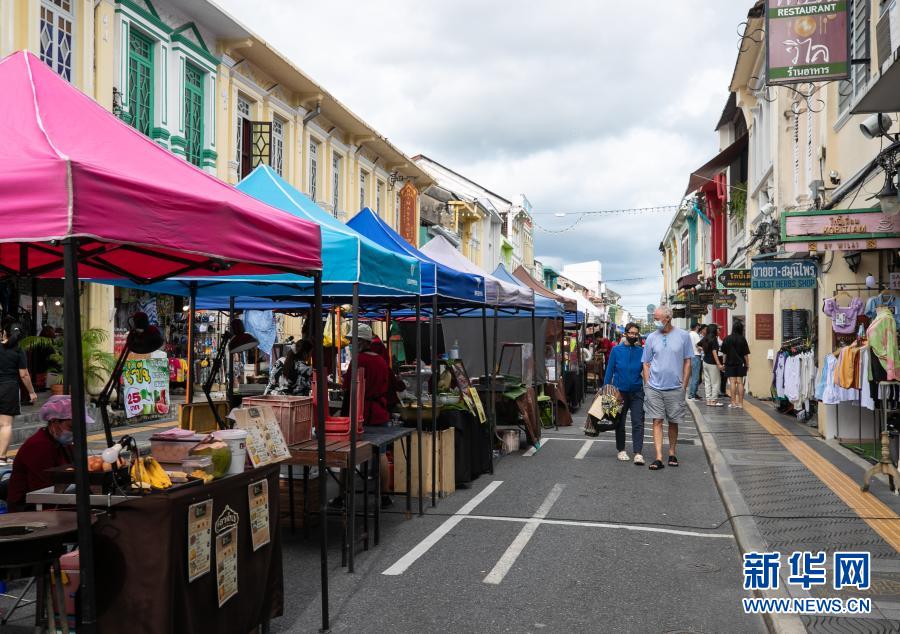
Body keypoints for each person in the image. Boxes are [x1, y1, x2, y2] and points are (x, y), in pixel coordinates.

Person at [6, 395, 86, 510]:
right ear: (54, 422)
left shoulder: (63, 444)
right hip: (28, 508)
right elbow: (44, 491)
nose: (75, 432)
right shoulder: (38, 446)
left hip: (57, 501)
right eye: (71, 427)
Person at [641, 306, 694, 471]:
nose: (655, 321)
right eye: (654, 318)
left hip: (675, 387)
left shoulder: (683, 336)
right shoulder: (651, 337)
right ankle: (658, 457)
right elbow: (646, 362)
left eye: (657, 318)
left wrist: (684, 385)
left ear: (668, 318)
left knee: (673, 421)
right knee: (657, 420)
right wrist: (648, 384)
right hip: (654, 388)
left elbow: (687, 361)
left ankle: (672, 452)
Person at [603, 322, 645, 465]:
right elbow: (609, 371)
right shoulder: (616, 350)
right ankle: (621, 450)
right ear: (625, 333)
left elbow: (646, 371)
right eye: (631, 333)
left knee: (638, 422)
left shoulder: (641, 351)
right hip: (619, 392)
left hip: (637, 392)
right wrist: (605, 390)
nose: (633, 335)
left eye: (636, 333)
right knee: (619, 423)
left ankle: (638, 453)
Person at [0, 317, 37, 466]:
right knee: (6, 424)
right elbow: (24, 374)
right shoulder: (18, 350)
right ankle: (1, 457)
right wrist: (32, 392)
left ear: (4, 333)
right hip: (9, 389)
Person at [342, 323, 390, 426]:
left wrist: (344, 415)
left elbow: (348, 390)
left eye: (352, 341)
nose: (351, 344)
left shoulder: (358, 360)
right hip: (381, 414)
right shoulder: (381, 360)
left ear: (361, 341)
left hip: (363, 416)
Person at [721, 321, 751, 409]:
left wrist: (723, 363)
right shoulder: (742, 339)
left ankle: (733, 403)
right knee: (740, 382)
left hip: (729, 363)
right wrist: (747, 364)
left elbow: (724, 353)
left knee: (732, 383)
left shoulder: (727, 338)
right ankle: (741, 403)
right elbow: (746, 354)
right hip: (740, 364)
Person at [700, 324, 725, 407]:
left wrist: (704, 350)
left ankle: (708, 400)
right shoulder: (714, 339)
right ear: (714, 330)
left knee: (707, 382)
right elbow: (714, 352)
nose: (719, 331)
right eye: (718, 329)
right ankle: (714, 400)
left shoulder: (706, 338)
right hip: (712, 364)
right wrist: (719, 364)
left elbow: (698, 345)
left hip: (705, 362)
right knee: (715, 382)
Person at [687, 323, 703, 401]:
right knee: (695, 377)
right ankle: (692, 395)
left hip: (690, 356)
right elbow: (698, 345)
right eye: (699, 327)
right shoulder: (695, 335)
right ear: (697, 327)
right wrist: (702, 349)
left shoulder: (689, 334)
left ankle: (693, 394)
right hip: (696, 356)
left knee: (693, 376)